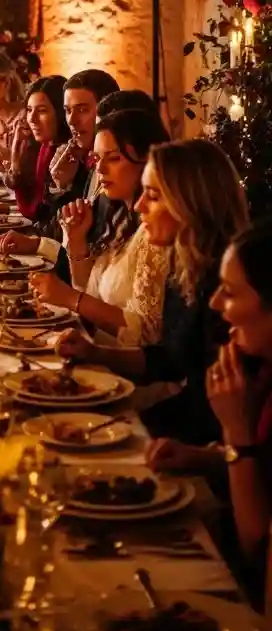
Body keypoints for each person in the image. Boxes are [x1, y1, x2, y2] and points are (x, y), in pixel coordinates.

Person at [57, 138, 248, 446]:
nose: (138, 206)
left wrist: (143, 429)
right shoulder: (182, 263)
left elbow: (216, 408)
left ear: (191, 203)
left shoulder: (226, 289)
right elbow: (169, 359)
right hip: (182, 426)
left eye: (154, 196)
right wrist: (95, 353)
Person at [146, 219, 272, 569]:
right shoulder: (261, 368)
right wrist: (204, 457)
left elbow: (258, 552)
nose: (215, 303)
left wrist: (237, 433)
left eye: (230, 293)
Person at [30, 107, 170, 344]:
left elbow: (147, 334)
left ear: (147, 160)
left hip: (123, 371)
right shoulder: (119, 216)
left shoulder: (157, 231)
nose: (100, 169)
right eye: (96, 158)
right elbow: (90, 293)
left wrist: (68, 297)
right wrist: (76, 240)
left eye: (114, 158)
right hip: (94, 352)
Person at [1, 75, 68, 220]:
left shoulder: (66, 153)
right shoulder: (43, 146)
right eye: (30, 110)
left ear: (61, 113)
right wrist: (15, 158)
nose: (31, 119)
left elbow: (38, 213)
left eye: (42, 111)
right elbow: (28, 208)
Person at [50, 68, 120, 198]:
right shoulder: (79, 158)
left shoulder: (120, 167)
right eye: (68, 110)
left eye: (82, 110)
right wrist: (65, 184)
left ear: (108, 111)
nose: (71, 121)